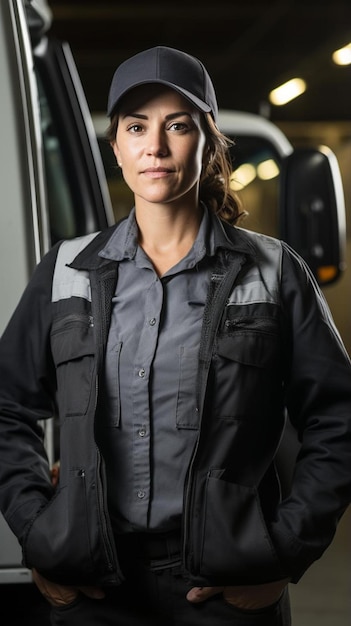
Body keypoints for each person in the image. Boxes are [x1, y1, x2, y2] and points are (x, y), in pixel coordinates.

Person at [0, 45, 350, 626]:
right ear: (116, 147)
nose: (155, 146)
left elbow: (338, 417)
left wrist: (285, 550)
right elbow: (6, 406)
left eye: (178, 126)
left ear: (209, 144)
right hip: (93, 591)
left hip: (226, 593)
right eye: (136, 127)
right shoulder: (65, 272)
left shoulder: (274, 272)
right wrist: (41, 533)